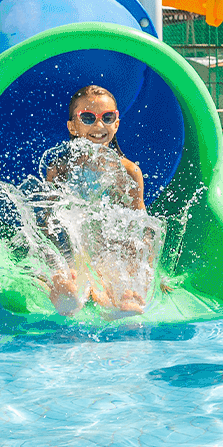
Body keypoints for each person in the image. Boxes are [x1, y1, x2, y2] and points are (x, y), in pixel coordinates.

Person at [38, 85, 151, 314]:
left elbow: (141, 230)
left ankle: (113, 301)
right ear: (72, 126)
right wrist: (60, 263)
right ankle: (68, 292)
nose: (99, 126)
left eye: (107, 117)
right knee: (67, 289)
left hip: (107, 255)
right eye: (88, 118)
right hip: (72, 253)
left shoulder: (128, 173)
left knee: (119, 291)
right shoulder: (59, 170)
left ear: (116, 124)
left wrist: (144, 273)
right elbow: (47, 226)